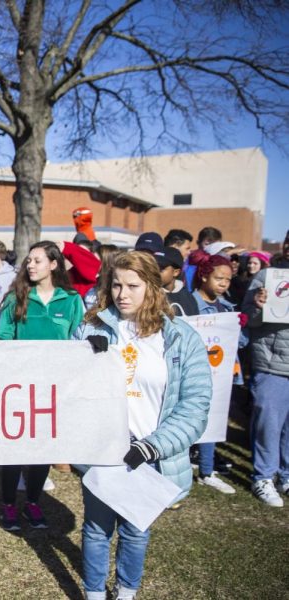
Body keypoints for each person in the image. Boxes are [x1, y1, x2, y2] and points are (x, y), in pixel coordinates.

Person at [76, 251, 211, 600]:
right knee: (96, 529)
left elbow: (195, 406)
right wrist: (84, 357)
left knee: (136, 530)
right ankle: (94, 593)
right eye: (116, 284)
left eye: (133, 286)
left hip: (151, 451)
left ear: (153, 287)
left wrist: (152, 445)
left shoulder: (181, 337)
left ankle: (125, 593)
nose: (122, 294)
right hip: (104, 449)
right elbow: (70, 391)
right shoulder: (92, 327)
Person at [0, 241, 85, 531]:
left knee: (42, 449)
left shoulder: (71, 300)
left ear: (54, 264)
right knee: (15, 449)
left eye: (37, 260)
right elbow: (3, 339)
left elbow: (79, 338)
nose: (30, 266)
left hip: (54, 389)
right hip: (19, 388)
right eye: (28, 261)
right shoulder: (16, 298)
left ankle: (32, 503)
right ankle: (8, 506)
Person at [189, 252, 243, 494]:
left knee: (213, 417)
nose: (223, 284)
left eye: (228, 280)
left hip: (219, 375)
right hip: (193, 375)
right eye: (218, 278)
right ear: (203, 277)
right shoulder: (189, 305)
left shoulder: (227, 307)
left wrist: (240, 326)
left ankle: (207, 470)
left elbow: (239, 344)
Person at [241, 263, 289, 507]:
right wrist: (259, 306)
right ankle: (264, 477)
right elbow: (248, 318)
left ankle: (286, 475)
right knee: (268, 423)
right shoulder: (267, 276)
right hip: (272, 363)